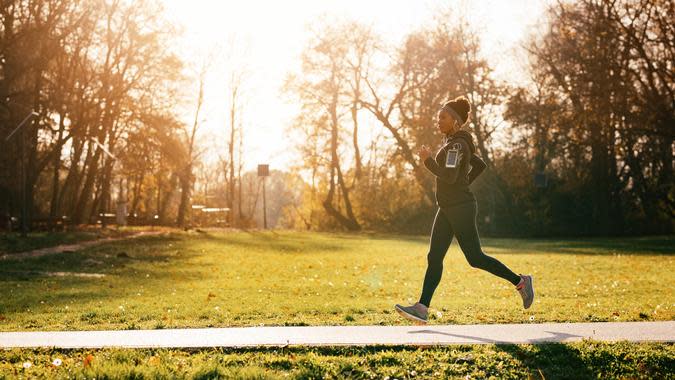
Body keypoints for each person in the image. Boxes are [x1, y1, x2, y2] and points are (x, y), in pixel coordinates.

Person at [395, 96, 534, 325]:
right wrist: (464, 181)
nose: (438, 120)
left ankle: (521, 281)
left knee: (475, 257)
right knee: (435, 256)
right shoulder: (455, 143)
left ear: (455, 121)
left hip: (460, 207)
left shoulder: (457, 145)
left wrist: (428, 161)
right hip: (448, 207)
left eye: (443, 117)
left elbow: (449, 175)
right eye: (438, 116)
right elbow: (479, 165)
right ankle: (422, 307)